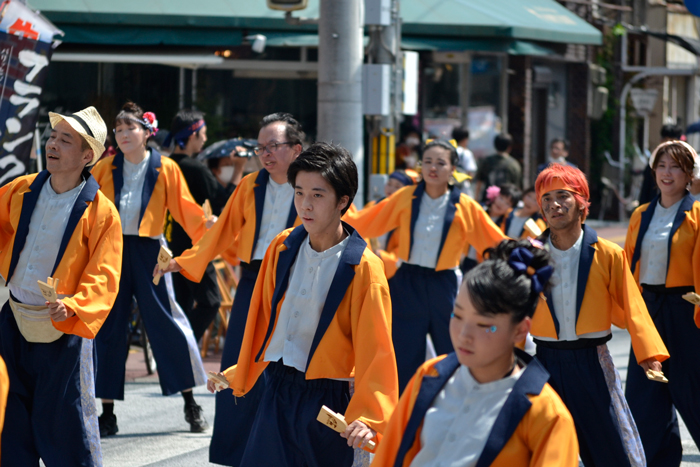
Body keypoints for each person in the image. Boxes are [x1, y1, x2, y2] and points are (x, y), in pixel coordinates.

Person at [206, 142, 398, 467]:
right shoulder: (282, 247)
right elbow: (265, 323)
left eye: (318, 195)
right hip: (276, 389)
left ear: (343, 201)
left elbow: (377, 352)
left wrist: (369, 418)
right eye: (299, 193)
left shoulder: (364, 268)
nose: (305, 205)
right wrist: (242, 370)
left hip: (328, 400)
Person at [160, 112, 303, 466]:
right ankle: (234, 453)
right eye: (261, 147)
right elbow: (221, 230)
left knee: (292, 363)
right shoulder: (250, 185)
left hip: (299, 280)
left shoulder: (314, 184)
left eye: (274, 146)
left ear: (297, 149)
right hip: (254, 280)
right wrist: (186, 260)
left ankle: (286, 449)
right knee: (236, 360)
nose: (265, 154)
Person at [372, 239, 578, 467]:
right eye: (457, 316)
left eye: (484, 325)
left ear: (520, 330)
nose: (464, 335)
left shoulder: (546, 415)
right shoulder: (430, 375)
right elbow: (388, 457)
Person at [0, 106, 123, 466]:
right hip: (14, 320)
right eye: (52, 137)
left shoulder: (102, 212)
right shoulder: (22, 189)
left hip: (64, 328)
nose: (52, 144)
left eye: (64, 140)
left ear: (88, 156)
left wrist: (76, 304)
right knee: (10, 421)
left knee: (67, 426)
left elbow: (104, 274)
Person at [531, 163, 669, 467]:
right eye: (547, 197)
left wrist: (649, 354)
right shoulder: (528, 254)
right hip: (544, 360)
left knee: (610, 447)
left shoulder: (607, 252)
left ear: (581, 202)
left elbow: (633, 305)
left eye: (563, 196)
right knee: (542, 448)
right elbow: (507, 304)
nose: (554, 204)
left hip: (591, 360)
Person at [345, 140, 506, 391]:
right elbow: (369, 220)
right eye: (427, 161)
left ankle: (456, 401)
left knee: (452, 346)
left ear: (453, 168)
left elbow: (494, 240)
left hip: (445, 283)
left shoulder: (465, 205)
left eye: (441, 163)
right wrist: (337, 212)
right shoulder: (406, 197)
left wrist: (529, 251)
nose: (433, 168)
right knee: (403, 349)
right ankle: (402, 411)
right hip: (407, 281)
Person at [91, 102, 209, 436]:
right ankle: (107, 412)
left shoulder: (166, 167)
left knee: (167, 321)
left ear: (147, 132)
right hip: (111, 250)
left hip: (150, 251)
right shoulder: (104, 168)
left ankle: (191, 403)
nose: (124, 134)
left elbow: (187, 210)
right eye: (119, 129)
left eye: (130, 128)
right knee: (108, 327)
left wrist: (212, 231)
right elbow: (87, 208)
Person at [624, 140, 700, 466]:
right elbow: (625, 266)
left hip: (685, 311)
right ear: (653, 170)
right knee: (646, 395)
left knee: (693, 392)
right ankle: (657, 460)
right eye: (662, 165)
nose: (667, 173)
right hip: (648, 311)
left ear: (689, 176)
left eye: (676, 167)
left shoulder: (697, 213)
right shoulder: (641, 215)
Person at [164, 109, 247, 341]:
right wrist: (239, 169)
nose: (205, 139)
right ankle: (182, 346)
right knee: (210, 302)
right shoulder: (195, 168)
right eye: (203, 134)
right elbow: (224, 203)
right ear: (192, 135)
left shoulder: (164, 165)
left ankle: (179, 351)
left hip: (168, 243)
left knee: (181, 303)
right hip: (194, 245)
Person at [639, 124, 683, 206]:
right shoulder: (652, 164)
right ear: (661, 141)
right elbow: (645, 192)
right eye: (666, 141)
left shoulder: (685, 164)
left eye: (672, 141)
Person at [474, 133, 522, 202]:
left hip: (487, 200)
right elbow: (517, 187)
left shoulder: (487, 161)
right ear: (509, 147)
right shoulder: (514, 165)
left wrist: (476, 199)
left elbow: (479, 182)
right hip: (506, 202)